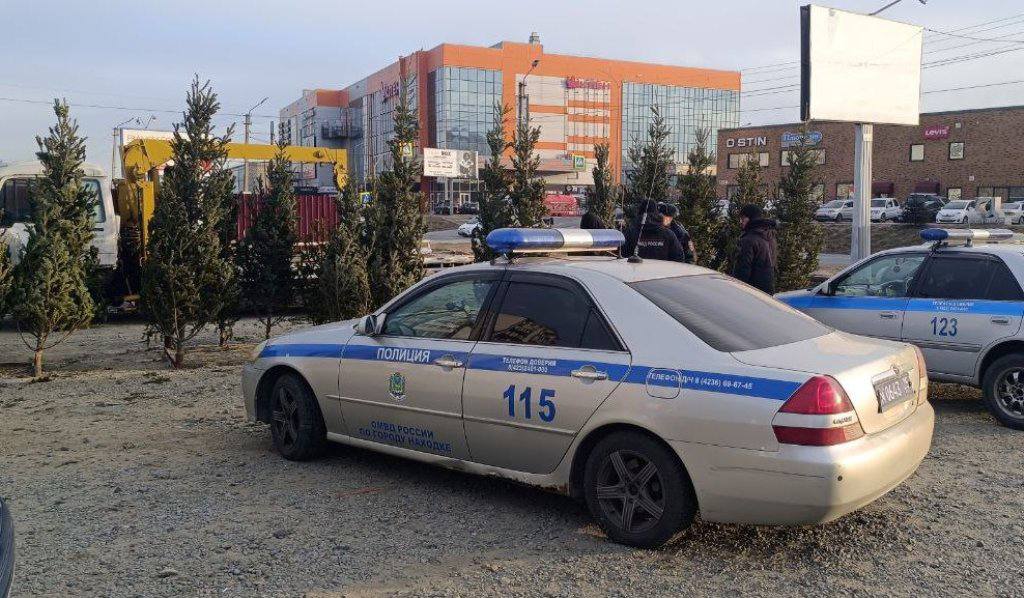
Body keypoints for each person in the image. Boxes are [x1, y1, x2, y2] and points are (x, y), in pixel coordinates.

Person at [621, 201, 686, 262]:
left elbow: (622, 256)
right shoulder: (669, 234)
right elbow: (679, 258)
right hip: (663, 270)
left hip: (635, 269)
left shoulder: (630, 232)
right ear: (656, 213)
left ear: (639, 212)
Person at [733, 204, 778, 294]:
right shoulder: (769, 236)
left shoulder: (749, 240)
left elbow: (743, 269)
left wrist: (737, 290)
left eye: (743, 218)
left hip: (751, 291)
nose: (740, 222)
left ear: (751, 218)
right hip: (767, 290)